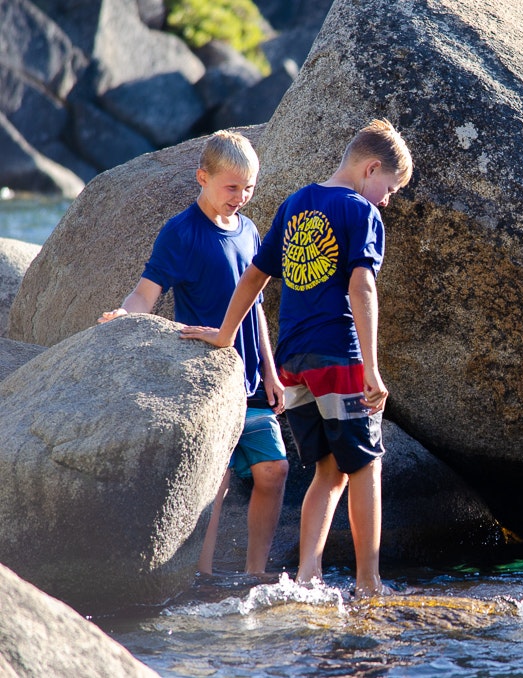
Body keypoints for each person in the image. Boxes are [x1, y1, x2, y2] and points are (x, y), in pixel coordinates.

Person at [180, 119, 413, 597]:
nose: (387, 200)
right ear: (371, 169)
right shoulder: (361, 213)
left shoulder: (295, 204)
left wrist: (226, 335)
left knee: (328, 470)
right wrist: (371, 368)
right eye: (388, 188)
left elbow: (254, 277)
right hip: (338, 354)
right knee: (367, 465)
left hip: (294, 362)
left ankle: (308, 576)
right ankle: (370, 583)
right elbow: (361, 286)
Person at [99, 130, 289, 577]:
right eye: (231, 187)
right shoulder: (180, 233)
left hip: (252, 380)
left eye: (249, 188)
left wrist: (271, 368)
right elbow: (147, 294)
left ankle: (255, 573)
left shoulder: (250, 231)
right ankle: (200, 574)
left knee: (274, 470)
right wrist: (125, 315)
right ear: (202, 177)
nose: (240, 197)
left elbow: (256, 307)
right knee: (215, 481)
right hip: (206, 377)